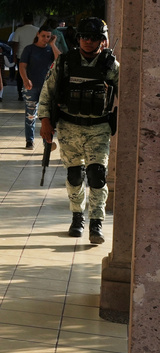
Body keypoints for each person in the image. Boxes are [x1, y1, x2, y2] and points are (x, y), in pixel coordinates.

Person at [39, 17, 119, 244]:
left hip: (98, 128)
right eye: (84, 36)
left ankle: (96, 221)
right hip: (69, 126)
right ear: (78, 38)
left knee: (97, 175)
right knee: (75, 175)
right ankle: (77, 217)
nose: (87, 41)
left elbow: (128, 92)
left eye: (94, 38)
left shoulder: (109, 65)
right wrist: (45, 120)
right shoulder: (65, 62)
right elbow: (47, 92)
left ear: (102, 41)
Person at [19, 26, 61, 150]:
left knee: (46, 117)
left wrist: (52, 44)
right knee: (30, 115)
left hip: (47, 88)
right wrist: (26, 80)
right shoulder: (29, 49)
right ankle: (29, 141)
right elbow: (22, 66)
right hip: (31, 87)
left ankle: (46, 142)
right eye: (43, 36)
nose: (45, 39)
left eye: (48, 36)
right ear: (38, 34)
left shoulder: (50, 50)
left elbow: (59, 60)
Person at [8, 13, 39, 101]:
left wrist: (14, 56)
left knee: (21, 75)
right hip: (34, 56)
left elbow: (15, 44)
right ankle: (33, 92)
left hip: (21, 56)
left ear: (23, 21)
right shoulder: (37, 30)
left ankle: (20, 95)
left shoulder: (19, 30)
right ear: (33, 21)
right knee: (33, 74)